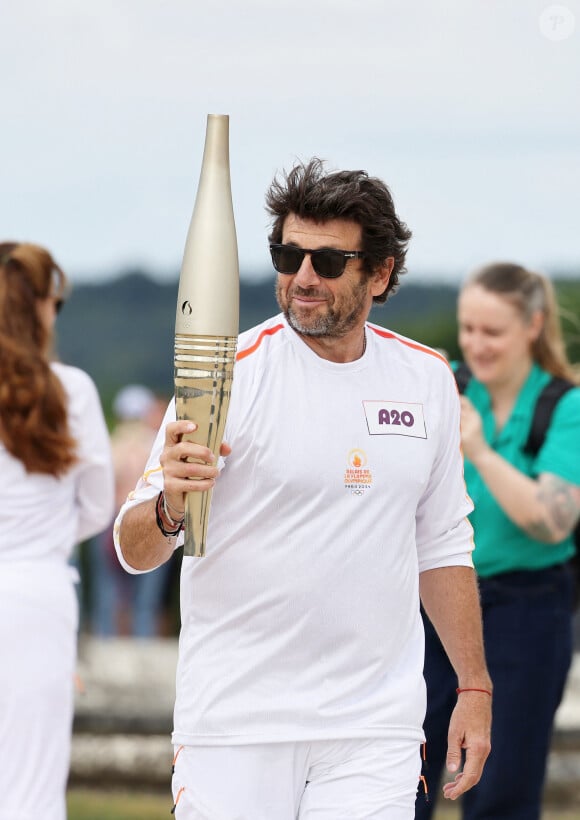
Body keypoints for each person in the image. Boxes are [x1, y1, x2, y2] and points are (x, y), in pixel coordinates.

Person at [115, 159, 491, 820]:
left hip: (375, 726)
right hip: (236, 723)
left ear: (380, 272)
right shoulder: (223, 376)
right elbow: (133, 550)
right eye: (288, 255)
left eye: (327, 260)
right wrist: (172, 505)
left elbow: (441, 543)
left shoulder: (426, 378)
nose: (303, 278)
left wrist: (474, 685)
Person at [415, 263, 580, 820]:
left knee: (502, 788)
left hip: (527, 608)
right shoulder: (439, 384)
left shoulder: (566, 406)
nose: (474, 345)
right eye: (467, 329)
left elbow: (552, 522)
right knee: (401, 773)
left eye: (492, 332)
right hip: (433, 600)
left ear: (533, 326)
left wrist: (480, 450)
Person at [0, 242, 114, 820]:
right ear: (43, 307)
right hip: (38, 593)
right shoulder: (71, 392)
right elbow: (98, 508)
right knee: (32, 786)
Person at [88, 384, 172, 637]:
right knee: (145, 598)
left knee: (110, 593)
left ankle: (106, 645)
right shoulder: (154, 446)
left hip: (112, 520)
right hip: (149, 519)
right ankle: (142, 647)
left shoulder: (112, 445)